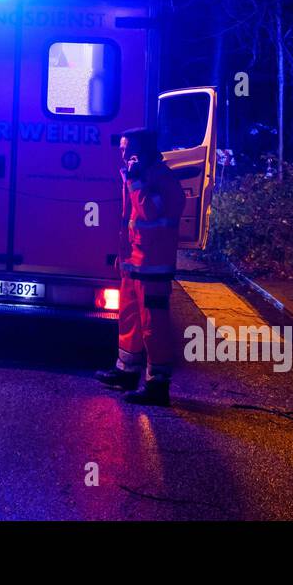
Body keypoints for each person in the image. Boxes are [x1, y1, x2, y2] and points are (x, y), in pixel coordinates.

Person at [95, 128, 185, 406]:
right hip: (134, 265)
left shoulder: (161, 178)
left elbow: (150, 212)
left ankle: (158, 386)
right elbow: (129, 224)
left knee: (153, 327)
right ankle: (126, 372)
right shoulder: (140, 176)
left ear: (141, 152)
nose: (122, 154)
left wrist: (134, 183)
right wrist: (121, 259)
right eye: (121, 149)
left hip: (153, 269)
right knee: (130, 319)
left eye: (126, 150)